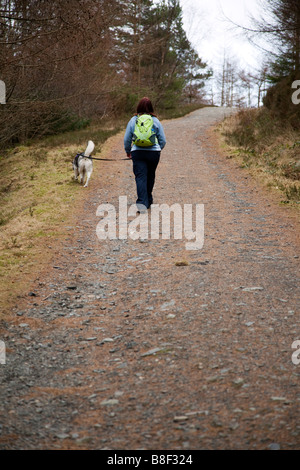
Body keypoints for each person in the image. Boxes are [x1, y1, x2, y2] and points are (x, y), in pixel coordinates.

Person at [124, 97, 166, 211]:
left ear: (138, 107)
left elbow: (127, 139)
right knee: (151, 175)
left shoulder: (133, 120)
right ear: (151, 107)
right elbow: (163, 140)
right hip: (154, 153)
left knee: (140, 177)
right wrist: (158, 149)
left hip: (138, 152)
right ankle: (149, 199)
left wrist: (128, 151)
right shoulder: (155, 120)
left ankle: (142, 203)